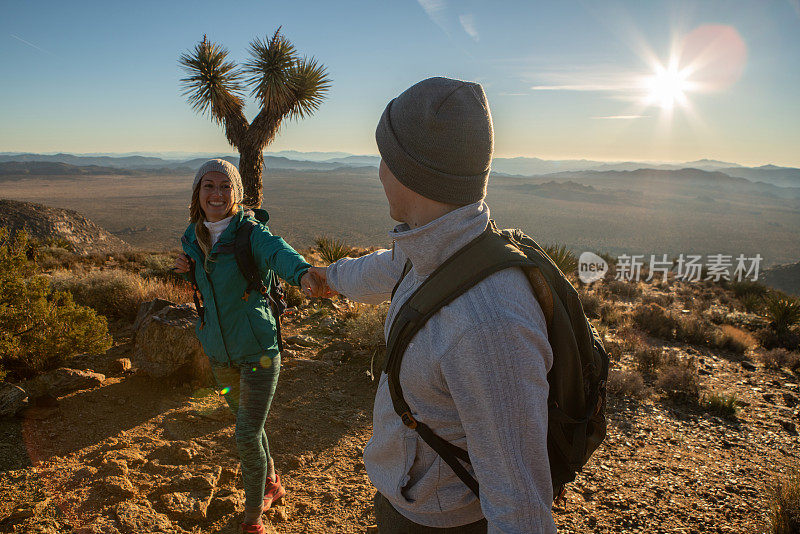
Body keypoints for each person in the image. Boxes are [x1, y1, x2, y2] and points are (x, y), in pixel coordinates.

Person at [309, 77, 558, 533]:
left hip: (444, 524)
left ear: (413, 172)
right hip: (410, 503)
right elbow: (386, 268)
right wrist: (330, 277)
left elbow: (520, 505)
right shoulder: (433, 249)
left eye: (386, 158)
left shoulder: (487, 322)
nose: (379, 172)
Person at [174, 159, 323, 534]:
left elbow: (278, 252)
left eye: (225, 186)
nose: (217, 194)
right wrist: (187, 266)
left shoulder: (250, 233)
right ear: (198, 192)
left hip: (259, 352)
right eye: (209, 186)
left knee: (244, 434)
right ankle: (273, 481)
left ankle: (253, 517)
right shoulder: (193, 238)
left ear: (236, 193)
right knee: (249, 425)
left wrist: (303, 272)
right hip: (219, 354)